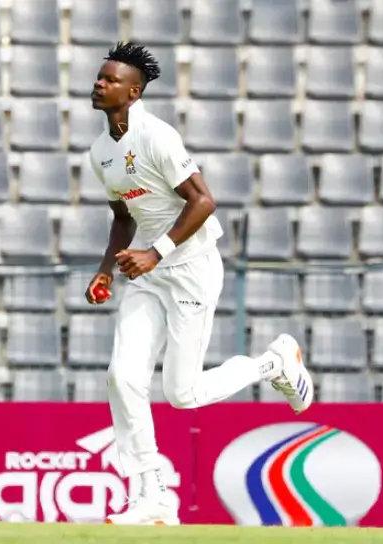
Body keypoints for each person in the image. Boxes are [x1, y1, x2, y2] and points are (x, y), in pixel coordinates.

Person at [84, 42, 315, 525]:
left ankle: (273, 362)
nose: (99, 84)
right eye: (99, 77)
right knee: (122, 377)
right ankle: (151, 494)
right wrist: (105, 269)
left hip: (190, 269)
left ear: (133, 92)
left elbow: (204, 201)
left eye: (109, 79)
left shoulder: (156, 136)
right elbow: (123, 216)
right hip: (148, 275)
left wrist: (155, 252)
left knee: (182, 394)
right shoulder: (101, 151)